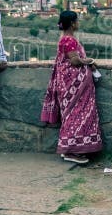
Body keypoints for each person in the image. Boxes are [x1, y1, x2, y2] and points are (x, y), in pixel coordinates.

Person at [40, 11, 102, 164]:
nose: (78, 23)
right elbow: (74, 61)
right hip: (73, 86)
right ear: (73, 23)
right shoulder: (69, 40)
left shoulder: (66, 39)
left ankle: (71, 149)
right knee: (75, 116)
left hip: (72, 85)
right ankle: (70, 150)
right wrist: (89, 60)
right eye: (77, 21)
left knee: (72, 115)